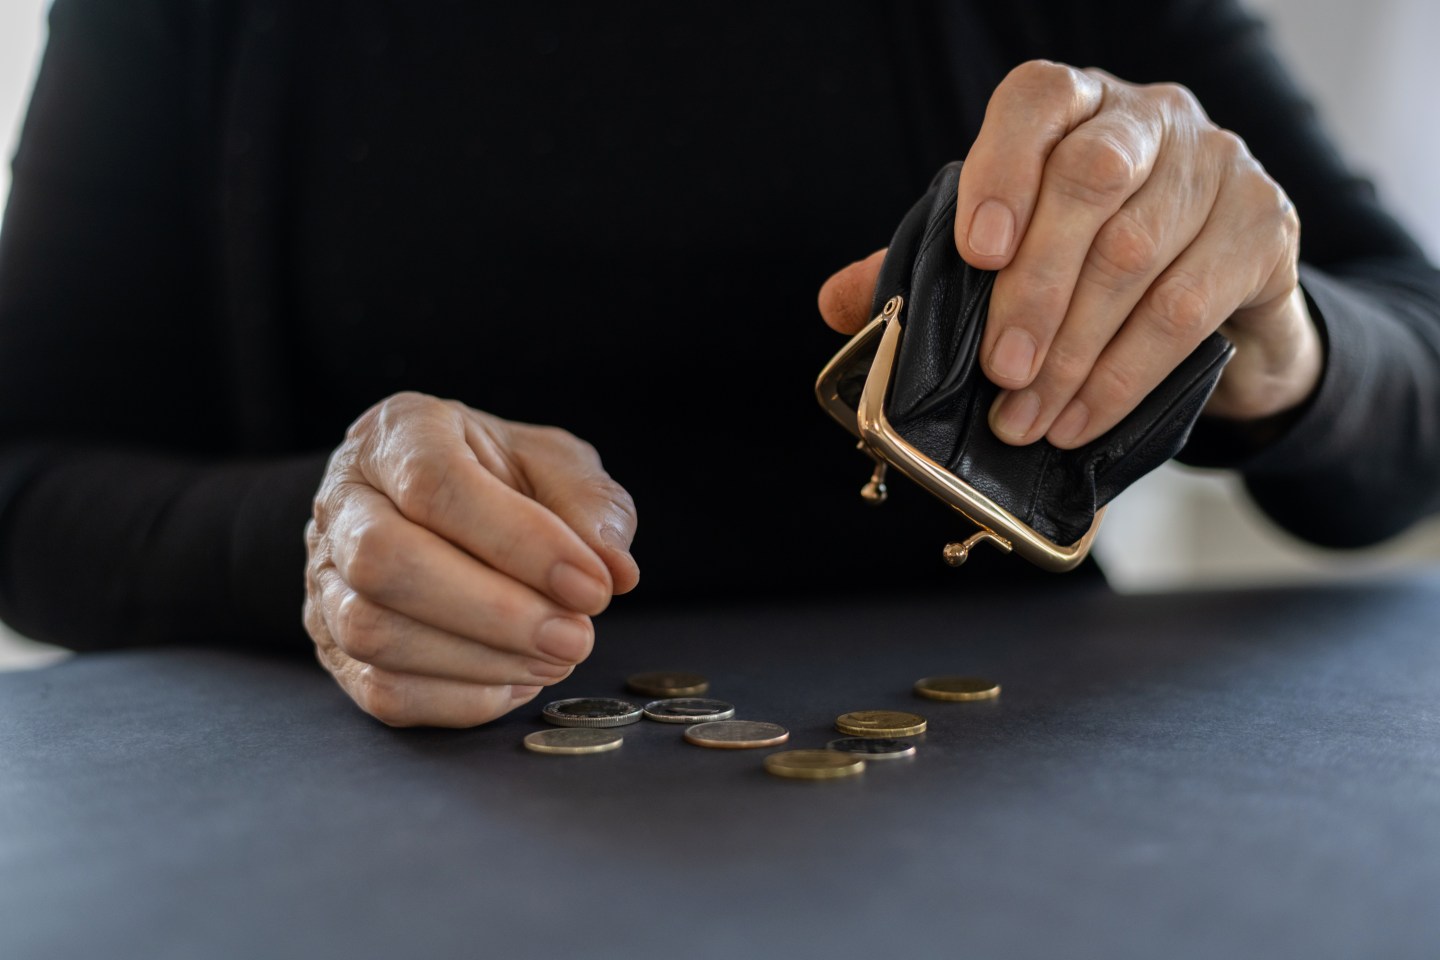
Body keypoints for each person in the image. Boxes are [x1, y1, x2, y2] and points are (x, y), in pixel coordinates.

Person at [1, 1, 1437, 727]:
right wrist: (309, 541)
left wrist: (1275, 342)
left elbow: (1415, 376)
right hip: (368, 842)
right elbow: (30, 480)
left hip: (996, 818)